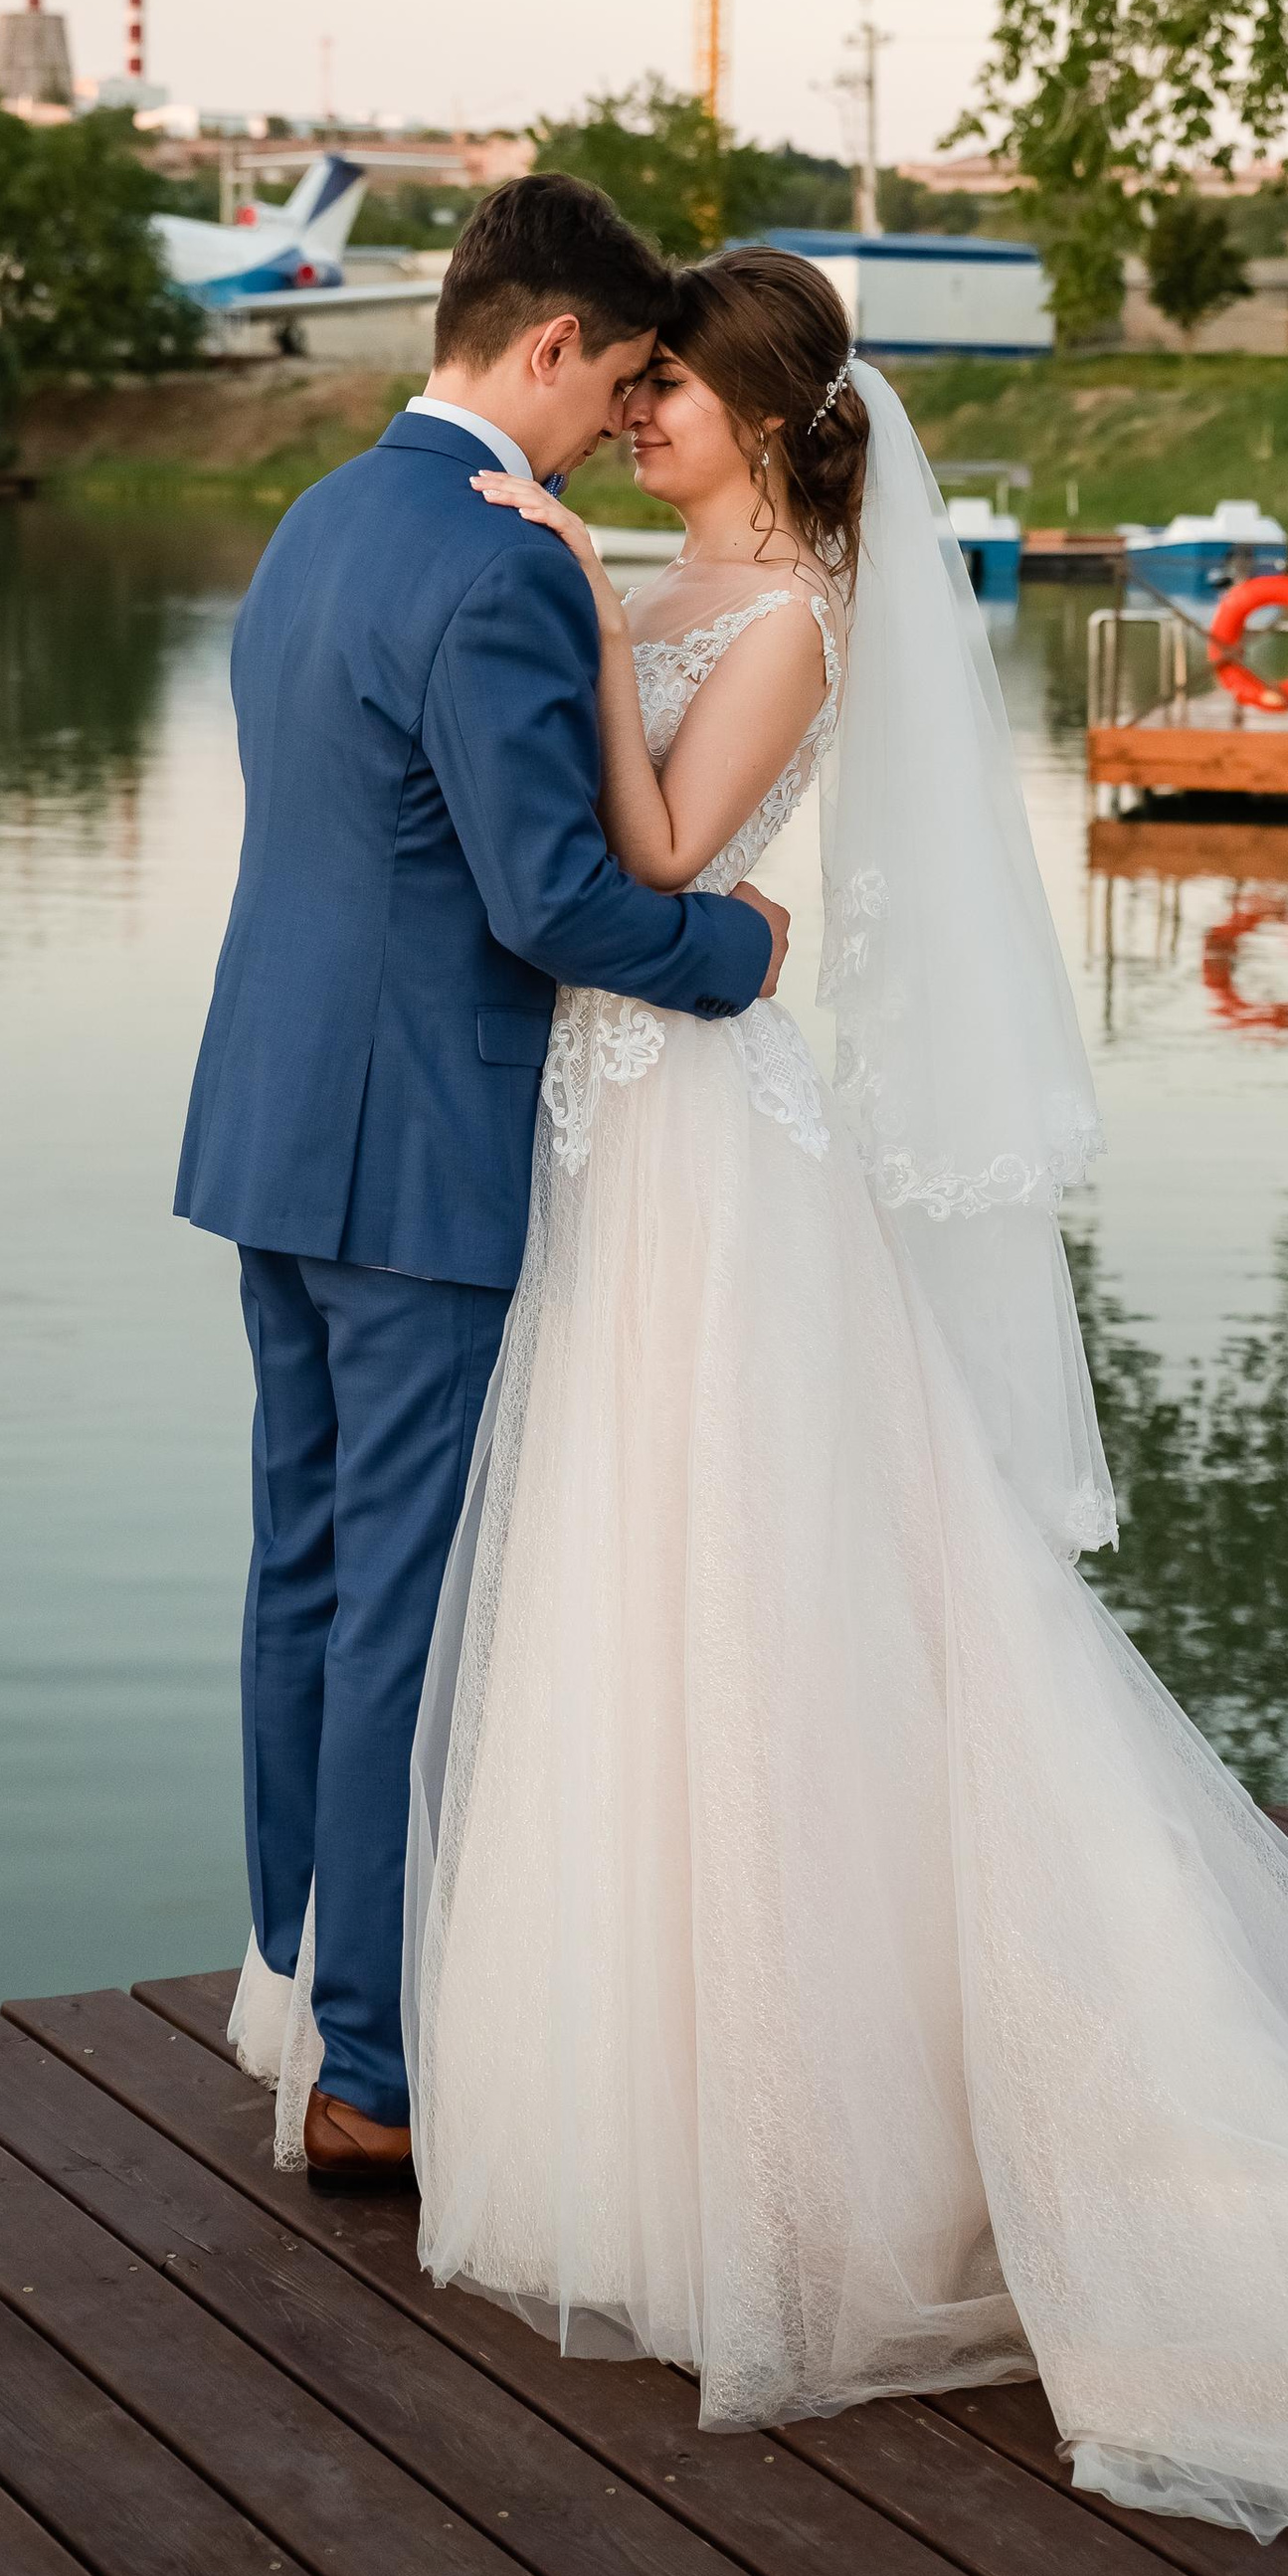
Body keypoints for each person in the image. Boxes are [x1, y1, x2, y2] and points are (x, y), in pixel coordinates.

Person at [378, 237, 1288, 2541]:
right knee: (622, 1602)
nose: (634, 419)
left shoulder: (796, 617)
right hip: (600, 1132)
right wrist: (564, 574)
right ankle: (619, 2109)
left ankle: (868, 2155)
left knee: (757, 1609)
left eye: (670, 398)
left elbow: (645, 855)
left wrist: (562, 591)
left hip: (707, 1151)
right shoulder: (640, 568)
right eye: (626, 394)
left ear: (760, 414)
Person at [179, 175, 788, 2190]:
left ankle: (289, 1973)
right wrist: (738, 957)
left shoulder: (320, 520)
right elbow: (548, 898)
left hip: (270, 1118)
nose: (613, 414)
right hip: (416, 1139)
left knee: (301, 1565)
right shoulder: (495, 566)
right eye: (613, 372)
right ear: (545, 346)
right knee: (400, 1607)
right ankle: (367, 2072)